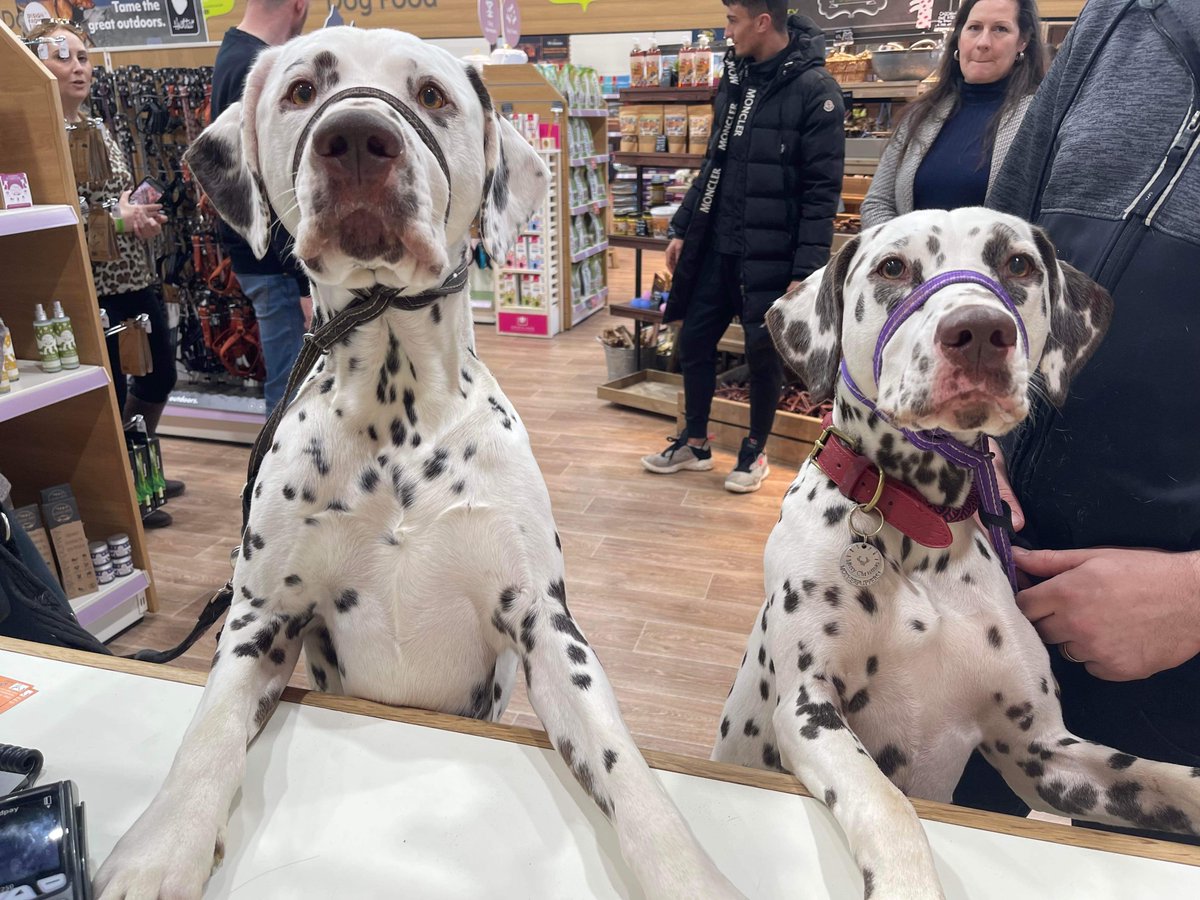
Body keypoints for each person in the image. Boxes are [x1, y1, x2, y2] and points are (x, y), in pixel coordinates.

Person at [952, 0, 1200, 844]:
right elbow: (998, 257)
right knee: (941, 845)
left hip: (1175, 658)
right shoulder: (1119, 20)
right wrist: (976, 458)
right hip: (996, 585)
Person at [642, 1, 845, 493]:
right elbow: (715, 161)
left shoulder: (816, 91)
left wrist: (807, 268)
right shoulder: (736, 79)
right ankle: (694, 441)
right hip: (717, 245)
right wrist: (684, 227)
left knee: (762, 356)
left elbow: (823, 192)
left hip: (770, 252)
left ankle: (753, 453)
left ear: (762, 22)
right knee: (693, 341)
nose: (726, 30)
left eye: (733, 20)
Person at [31, 19, 182, 528]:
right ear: (38, 66)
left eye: (83, 57)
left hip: (134, 274)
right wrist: (120, 218)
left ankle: (141, 459)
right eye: (64, 57)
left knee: (161, 372)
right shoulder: (38, 134)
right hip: (92, 286)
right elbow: (54, 209)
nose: (78, 67)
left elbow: (106, 199)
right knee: (111, 388)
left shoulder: (93, 125)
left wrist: (136, 213)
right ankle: (121, 488)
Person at [860, 0, 1045, 228]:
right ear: (959, 36)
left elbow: (1046, 217)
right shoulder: (920, 115)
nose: (983, 42)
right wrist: (905, 253)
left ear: (1023, 41)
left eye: (1000, 29)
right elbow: (877, 203)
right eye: (974, 27)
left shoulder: (1040, 120)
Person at [210, 0, 312, 415]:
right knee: (292, 386)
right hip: (277, 261)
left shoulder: (234, 55)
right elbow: (273, 184)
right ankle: (276, 477)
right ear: (298, 5)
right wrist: (304, 282)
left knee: (292, 380)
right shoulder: (257, 66)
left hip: (266, 257)